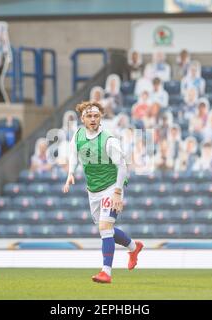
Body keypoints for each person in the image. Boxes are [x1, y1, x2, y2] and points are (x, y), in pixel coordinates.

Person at [63, 101, 144, 284]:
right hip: (93, 190)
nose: (93, 119)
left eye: (96, 116)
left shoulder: (109, 140)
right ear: (82, 118)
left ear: (101, 118)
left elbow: (122, 166)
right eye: (89, 116)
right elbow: (73, 153)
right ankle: (133, 246)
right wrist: (70, 173)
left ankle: (106, 272)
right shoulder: (78, 135)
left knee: (104, 228)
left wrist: (117, 192)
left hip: (111, 187)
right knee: (106, 228)